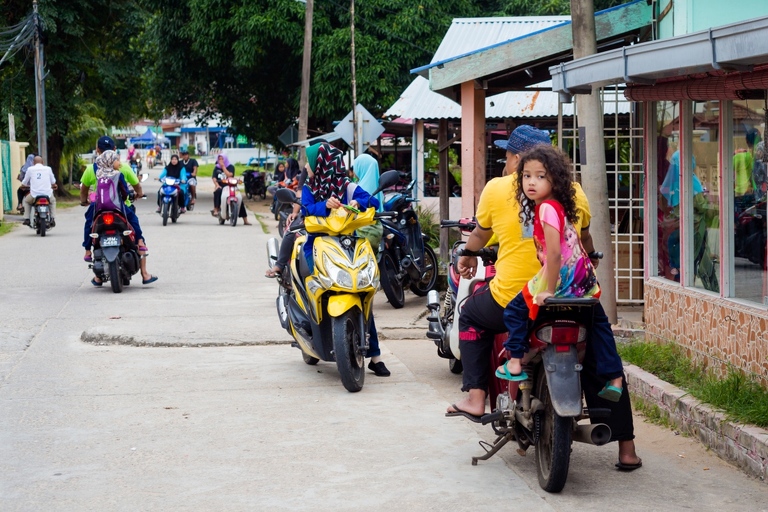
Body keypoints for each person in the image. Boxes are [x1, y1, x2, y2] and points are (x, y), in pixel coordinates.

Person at [447, 125, 641, 471]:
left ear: (521, 159)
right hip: (576, 297)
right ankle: (626, 449)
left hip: (528, 293)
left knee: (472, 315)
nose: (507, 164)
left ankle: (477, 396)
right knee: (601, 353)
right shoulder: (573, 191)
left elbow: (480, 233)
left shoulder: (500, 189)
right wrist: (592, 258)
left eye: (508, 156)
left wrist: (466, 254)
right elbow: (583, 238)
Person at [492, 145, 624, 403]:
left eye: (541, 176)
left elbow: (554, 254)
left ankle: (516, 362)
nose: (532, 182)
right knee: (598, 323)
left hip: (563, 276)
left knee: (515, 309)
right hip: (583, 274)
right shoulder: (556, 205)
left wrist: (548, 290)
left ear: (556, 180)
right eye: (527, 175)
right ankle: (615, 377)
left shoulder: (546, 209)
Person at [301, 142, 390, 377]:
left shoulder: (348, 187)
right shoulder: (309, 187)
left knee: (362, 293)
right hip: (318, 245)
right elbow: (306, 209)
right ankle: (312, 330)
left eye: (309, 161)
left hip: (347, 246)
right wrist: (324, 205)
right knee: (319, 286)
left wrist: (357, 203)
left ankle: (375, 355)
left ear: (321, 164)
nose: (306, 166)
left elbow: (371, 202)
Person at [80, 137, 157, 285]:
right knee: (134, 225)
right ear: (114, 151)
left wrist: (85, 201)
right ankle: (145, 273)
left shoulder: (93, 170)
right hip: (120, 207)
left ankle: (89, 252)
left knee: (90, 225)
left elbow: (84, 189)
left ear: (98, 151)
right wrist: (137, 195)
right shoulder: (122, 169)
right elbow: (132, 189)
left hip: (99, 208)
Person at [211, 153, 251, 225]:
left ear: (225, 159)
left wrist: (223, 167)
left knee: (239, 198)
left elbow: (230, 175)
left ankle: (245, 219)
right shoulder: (216, 168)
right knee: (218, 191)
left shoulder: (230, 166)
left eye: (222, 159)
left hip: (230, 185)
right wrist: (216, 185)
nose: (221, 160)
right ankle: (216, 208)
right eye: (219, 159)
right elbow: (214, 178)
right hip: (221, 186)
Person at [21, 156, 57, 227]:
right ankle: (52, 218)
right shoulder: (48, 169)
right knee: (52, 202)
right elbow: (53, 181)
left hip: (34, 195)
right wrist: (54, 185)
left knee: (26, 201)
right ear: (43, 162)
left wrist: (23, 185)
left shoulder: (30, 169)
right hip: (47, 195)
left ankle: (27, 219)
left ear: (33, 163)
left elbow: (24, 182)